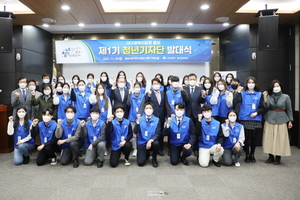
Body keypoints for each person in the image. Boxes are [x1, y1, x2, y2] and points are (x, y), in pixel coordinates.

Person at [262, 80, 293, 165]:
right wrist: (265, 97)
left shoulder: (286, 97)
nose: (276, 88)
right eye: (274, 86)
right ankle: (270, 156)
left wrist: (290, 120)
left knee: (280, 139)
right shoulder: (269, 96)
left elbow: (289, 109)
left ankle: (278, 157)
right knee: (269, 138)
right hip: (270, 118)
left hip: (282, 119)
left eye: (277, 86)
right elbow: (266, 106)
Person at [234, 76, 263, 163]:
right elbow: (235, 101)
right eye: (249, 82)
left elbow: (262, 107)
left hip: (256, 118)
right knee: (246, 138)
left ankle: (252, 154)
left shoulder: (259, 94)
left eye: (252, 82)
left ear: (255, 84)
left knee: (254, 138)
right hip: (244, 118)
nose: (251, 84)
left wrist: (256, 112)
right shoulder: (242, 93)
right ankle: (247, 155)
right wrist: (238, 92)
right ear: (246, 84)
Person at [143, 78, 170, 156]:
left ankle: (160, 149)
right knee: (152, 132)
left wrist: (167, 115)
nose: (156, 85)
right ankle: (151, 148)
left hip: (161, 116)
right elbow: (146, 103)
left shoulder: (163, 93)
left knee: (160, 133)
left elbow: (165, 105)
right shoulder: (149, 93)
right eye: (154, 84)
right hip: (152, 117)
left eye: (157, 84)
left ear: (160, 85)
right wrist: (148, 95)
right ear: (152, 85)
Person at [184, 73, 206, 157]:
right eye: (190, 79)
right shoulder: (185, 89)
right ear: (188, 80)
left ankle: (196, 148)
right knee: (187, 131)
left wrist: (203, 96)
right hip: (187, 114)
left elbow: (202, 101)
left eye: (193, 79)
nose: (192, 81)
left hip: (197, 114)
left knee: (196, 132)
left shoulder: (200, 89)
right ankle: (188, 147)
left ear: (196, 80)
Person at [134, 103, 161, 167]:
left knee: (156, 144)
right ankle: (147, 153)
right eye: (147, 108)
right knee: (140, 163)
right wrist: (137, 122)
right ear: (144, 110)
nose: (148, 109)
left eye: (150, 108)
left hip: (152, 142)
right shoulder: (140, 119)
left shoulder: (157, 120)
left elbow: (158, 133)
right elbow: (135, 132)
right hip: (142, 142)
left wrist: (151, 140)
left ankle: (154, 159)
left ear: (153, 110)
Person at [127, 82, 145, 157]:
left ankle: (141, 147)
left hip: (141, 117)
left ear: (140, 88)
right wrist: (129, 94)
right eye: (136, 87)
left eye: (138, 87)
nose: (137, 88)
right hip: (132, 117)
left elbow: (143, 106)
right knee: (134, 135)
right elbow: (128, 104)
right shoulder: (131, 95)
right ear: (134, 88)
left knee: (141, 133)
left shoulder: (143, 96)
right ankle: (135, 148)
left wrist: (140, 114)